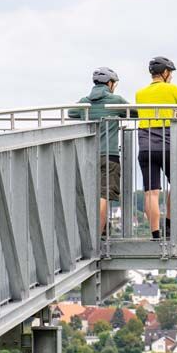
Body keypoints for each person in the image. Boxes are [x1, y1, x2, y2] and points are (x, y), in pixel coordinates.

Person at [135, 56, 177, 239]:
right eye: (170, 73)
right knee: (176, 185)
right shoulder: (172, 89)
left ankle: (155, 234)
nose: (170, 76)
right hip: (168, 145)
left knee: (151, 193)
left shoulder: (140, 93)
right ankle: (169, 226)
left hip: (145, 145)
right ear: (164, 73)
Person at [68, 66, 128, 235]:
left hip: (88, 155)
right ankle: (98, 237)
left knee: (90, 195)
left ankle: (93, 233)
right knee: (104, 195)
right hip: (109, 155)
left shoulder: (84, 101)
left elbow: (71, 113)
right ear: (109, 83)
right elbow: (135, 112)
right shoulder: (115, 101)